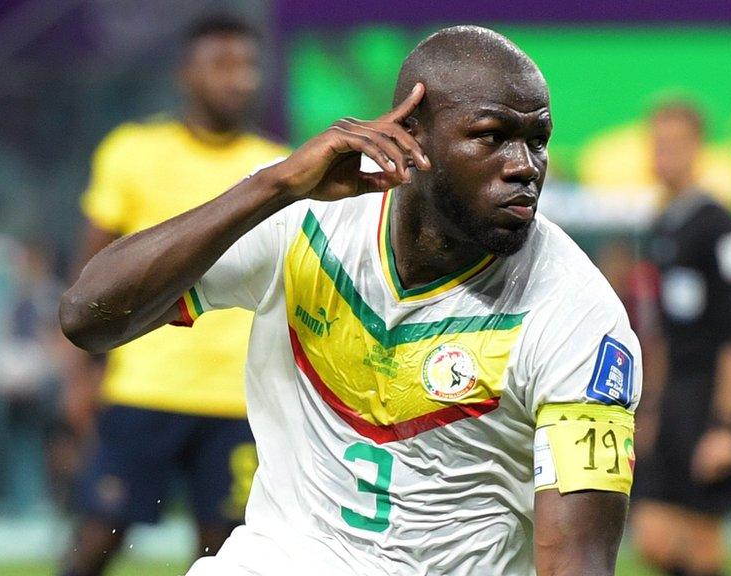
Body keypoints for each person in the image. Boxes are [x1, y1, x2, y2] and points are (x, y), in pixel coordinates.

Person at [61, 26, 641, 576]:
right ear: (413, 132)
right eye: (490, 136)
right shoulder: (304, 217)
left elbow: (578, 562)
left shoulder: (581, 317)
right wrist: (273, 186)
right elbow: (87, 315)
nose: (524, 168)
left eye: (537, 141)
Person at [61, 15, 289, 576]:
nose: (239, 79)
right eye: (222, 65)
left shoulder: (278, 168)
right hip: (145, 386)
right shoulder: (133, 151)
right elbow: (91, 275)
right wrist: (77, 376)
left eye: (248, 66)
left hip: (240, 398)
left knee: (224, 554)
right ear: (187, 74)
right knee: (97, 538)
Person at [630, 101, 731, 576]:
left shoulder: (722, 229)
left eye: (675, 144)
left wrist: (727, 425)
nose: (664, 154)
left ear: (698, 149)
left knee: (703, 542)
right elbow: (660, 334)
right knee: (654, 535)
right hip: (674, 398)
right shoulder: (661, 226)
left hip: (711, 396)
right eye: (657, 143)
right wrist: (649, 409)